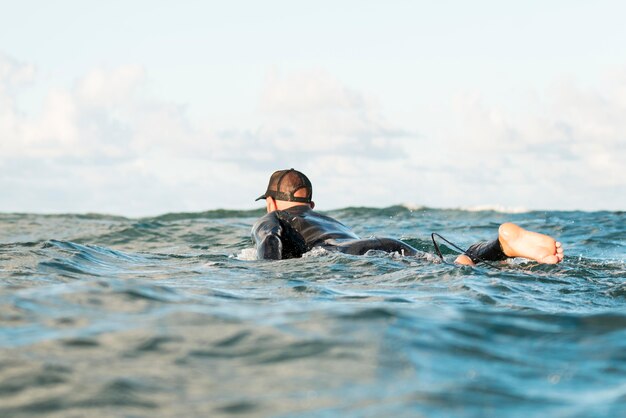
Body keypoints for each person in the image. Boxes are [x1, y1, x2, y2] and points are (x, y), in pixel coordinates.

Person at [251, 169, 564, 265]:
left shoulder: (273, 220)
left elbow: (269, 241)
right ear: (312, 204)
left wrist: (269, 278)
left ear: (270, 203)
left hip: (355, 256)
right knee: (450, 263)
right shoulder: (329, 221)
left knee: (445, 273)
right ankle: (502, 245)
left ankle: (501, 247)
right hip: (381, 244)